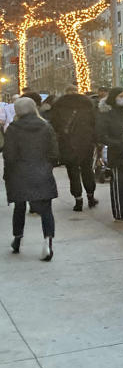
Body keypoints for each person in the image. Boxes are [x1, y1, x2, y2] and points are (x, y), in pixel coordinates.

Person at [4, 97, 59, 260]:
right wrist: (48, 165)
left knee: (19, 206)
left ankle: (17, 238)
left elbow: (9, 155)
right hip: (42, 172)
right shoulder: (45, 126)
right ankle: (48, 241)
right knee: (46, 209)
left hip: (19, 173)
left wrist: (8, 174)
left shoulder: (13, 129)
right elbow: (54, 152)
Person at [49, 85, 99, 212]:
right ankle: (91, 196)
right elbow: (94, 123)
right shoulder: (87, 104)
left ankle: (78, 200)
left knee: (72, 172)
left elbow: (54, 125)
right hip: (85, 142)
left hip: (67, 143)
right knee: (87, 169)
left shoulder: (59, 105)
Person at [97, 87, 123, 222]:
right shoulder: (106, 115)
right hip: (117, 153)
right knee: (120, 184)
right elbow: (102, 136)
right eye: (120, 96)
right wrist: (122, 138)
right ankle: (121, 211)